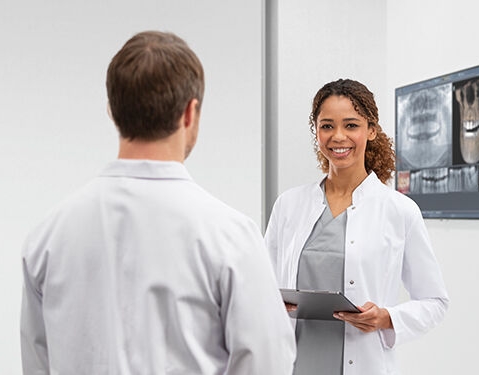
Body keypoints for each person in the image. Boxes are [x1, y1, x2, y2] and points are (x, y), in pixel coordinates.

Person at [20, 31, 296, 375]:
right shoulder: (230, 237)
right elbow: (267, 363)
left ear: (112, 110)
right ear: (189, 113)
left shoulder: (48, 237)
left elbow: (37, 364)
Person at [264, 78, 449, 375]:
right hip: (294, 364)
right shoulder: (288, 205)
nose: (338, 136)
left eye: (351, 125)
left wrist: (387, 318)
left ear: (371, 130)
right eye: (327, 126)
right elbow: (262, 287)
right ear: (316, 132)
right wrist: (269, 302)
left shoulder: (399, 211)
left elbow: (435, 301)